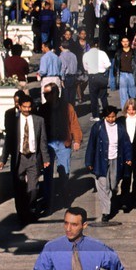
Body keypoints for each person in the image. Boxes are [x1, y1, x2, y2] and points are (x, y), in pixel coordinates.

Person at [0, 91, 47, 224]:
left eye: (29, 107)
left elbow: (43, 140)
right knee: (19, 189)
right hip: (19, 159)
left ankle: (30, 207)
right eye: (24, 107)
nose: (27, 109)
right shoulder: (13, 121)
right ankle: (22, 214)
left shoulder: (38, 120)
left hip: (33, 158)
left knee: (34, 188)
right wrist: (3, 160)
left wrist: (46, 158)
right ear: (19, 107)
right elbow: (8, 141)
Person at [85, 104, 133, 223]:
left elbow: (126, 143)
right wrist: (89, 161)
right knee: (103, 185)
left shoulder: (120, 128)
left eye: (113, 117)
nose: (111, 119)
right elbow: (91, 145)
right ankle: (106, 212)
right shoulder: (98, 127)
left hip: (116, 159)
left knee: (113, 185)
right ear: (104, 117)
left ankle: (112, 197)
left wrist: (128, 157)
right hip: (100, 160)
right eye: (109, 117)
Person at [41, 81, 82, 211]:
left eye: (48, 94)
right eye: (44, 94)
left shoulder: (67, 107)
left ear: (56, 93)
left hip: (64, 143)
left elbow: (74, 123)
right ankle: (48, 200)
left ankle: (65, 197)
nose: (46, 96)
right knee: (47, 173)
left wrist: (77, 140)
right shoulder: (42, 109)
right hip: (48, 144)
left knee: (64, 172)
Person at [81, 36, 112, 117]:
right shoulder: (102, 53)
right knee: (103, 97)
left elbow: (85, 68)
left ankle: (96, 116)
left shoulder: (86, 55)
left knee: (93, 98)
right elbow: (108, 64)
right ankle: (106, 113)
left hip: (92, 77)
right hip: (102, 76)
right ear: (97, 44)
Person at [115, 35, 136, 107]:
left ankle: (133, 108)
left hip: (132, 74)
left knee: (133, 94)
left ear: (129, 42)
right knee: (123, 94)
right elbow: (116, 66)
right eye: (123, 41)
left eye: (126, 41)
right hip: (122, 74)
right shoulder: (118, 52)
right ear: (121, 43)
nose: (125, 43)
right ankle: (124, 111)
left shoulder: (134, 52)